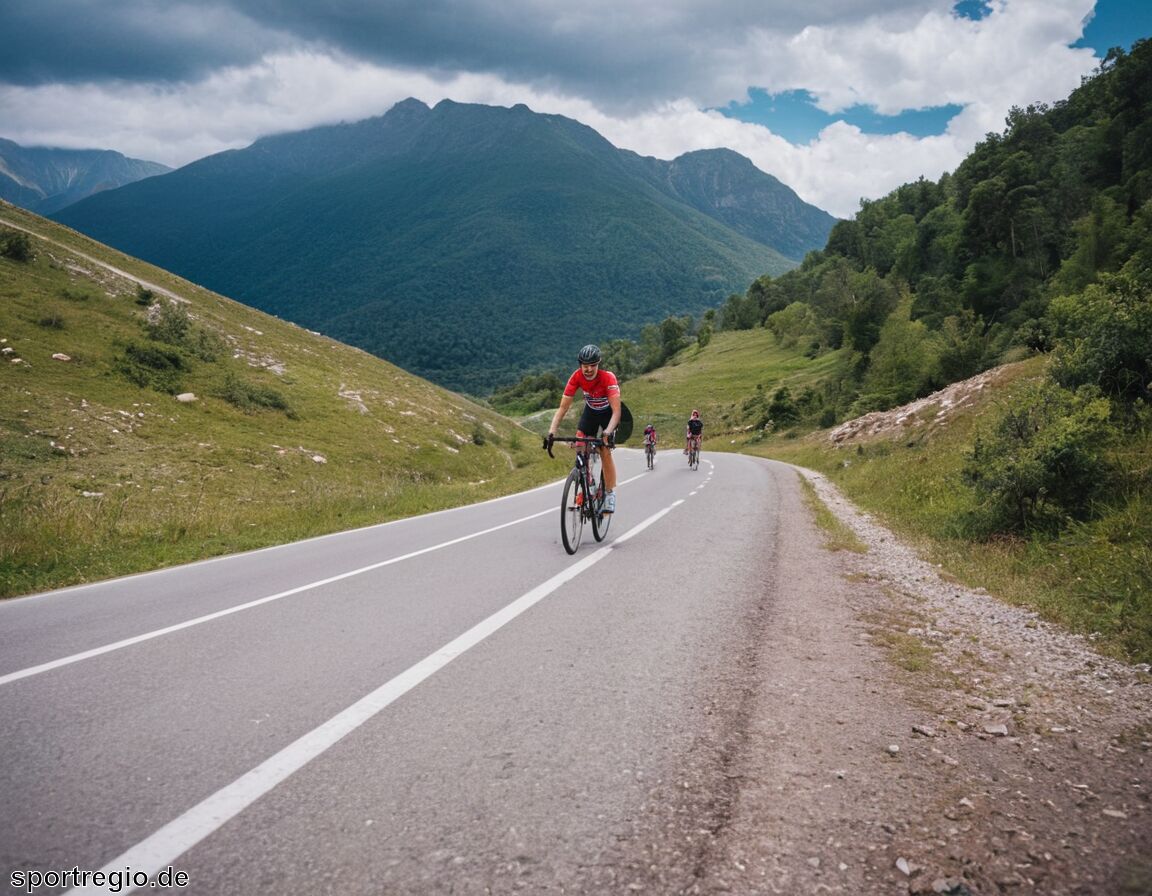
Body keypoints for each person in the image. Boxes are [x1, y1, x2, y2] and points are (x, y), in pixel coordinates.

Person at [545, 344, 622, 513]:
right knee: (580, 442)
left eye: (592, 366)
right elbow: (563, 408)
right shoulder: (576, 377)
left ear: (598, 364)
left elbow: (617, 411)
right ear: (580, 365)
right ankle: (588, 484)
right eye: (585, 366)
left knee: (604, 449)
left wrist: (607, 433)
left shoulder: (608, 378)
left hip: (608, 414)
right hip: (591, 412)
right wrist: (551, 432)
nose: (588, 369)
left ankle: (609, 493)